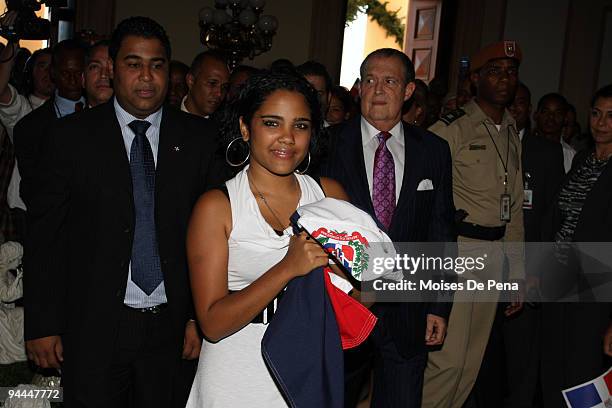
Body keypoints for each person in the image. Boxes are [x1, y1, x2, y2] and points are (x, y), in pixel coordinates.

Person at [24, 16, 219, 407]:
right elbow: (45, 236)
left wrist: (199, 317)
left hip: (171, 327)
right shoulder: (70, 138)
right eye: (133, 64)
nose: (146, 76)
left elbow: (210, 240)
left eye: (157, 64)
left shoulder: (199, 140)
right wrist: (43, 324)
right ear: (113, 69)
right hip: (92, 323)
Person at [185, 69, 349, 407]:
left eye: (300, 126)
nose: (287, 138)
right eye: (272, 123)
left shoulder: (329, 196)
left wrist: (349, 277)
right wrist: (288, 268)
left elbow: (367, 296)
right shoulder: (218, 206)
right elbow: (212, 324)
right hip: (235, 374)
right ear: (246, 128)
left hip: (308, 368)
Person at [323, 48, 455, 408]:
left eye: (390, 81)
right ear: (358, 89)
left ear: (409, 91)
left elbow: (442, 233)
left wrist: (439, 306)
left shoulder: (434, 150)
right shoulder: (327, 144)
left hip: (408, 311)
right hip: (345, 307)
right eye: (370, 80)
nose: (378, 89)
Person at [424, 41, 525, 408]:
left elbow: (513, 209)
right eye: (495, 71)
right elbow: (424, 197)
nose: (505, 78)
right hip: (461, 252)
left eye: (511, 72)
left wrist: (517, 270)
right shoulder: (452, 129)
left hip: (494, 255)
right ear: (475, 79)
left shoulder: (511, 130)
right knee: (446, 363)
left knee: (471, 366)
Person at [539, 84, 612, 408]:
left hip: (595, 291)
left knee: (584, 381)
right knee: (552, 373)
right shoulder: (582, 159)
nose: (601, 123)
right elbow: (557, 220)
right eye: (596, 113)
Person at [13, 39, 86, 208]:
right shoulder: (30, 127)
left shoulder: (102, 114)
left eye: (78, 72)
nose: (73, 79)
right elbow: (32, 189)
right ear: (54, 73)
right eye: (66, 72)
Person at [533, 93, 576, 173]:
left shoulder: (571, 156)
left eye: (558, 113)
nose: (551, 117)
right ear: (536, 115)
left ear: (565, 118)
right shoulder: (522, 147)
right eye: (545, 111)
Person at [182, 50, 229, 118]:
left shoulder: (225, 125)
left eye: (224, 87)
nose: (219, 94)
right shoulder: (166, 117)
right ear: (191, 81)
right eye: (212, 83)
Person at [297, 60, 333, 125]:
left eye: (319, 93)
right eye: (307, 93)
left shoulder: (337, 134)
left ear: (329, 97)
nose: (313, 99)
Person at [82, 40, 113, 108]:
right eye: (95, 67)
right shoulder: (71, 119)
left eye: (112, 68)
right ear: (83, 78)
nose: (103, 75)